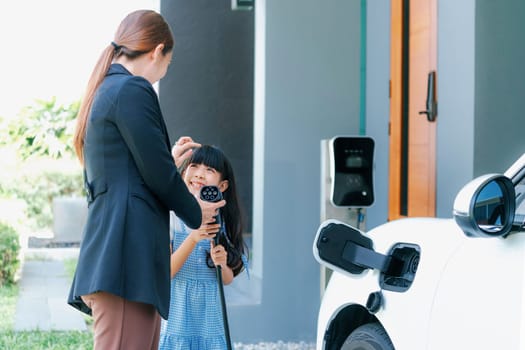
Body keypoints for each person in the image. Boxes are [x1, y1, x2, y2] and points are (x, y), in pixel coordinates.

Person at [67, 10, 225, 350]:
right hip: (127, 262)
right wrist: (199, 213)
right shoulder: (133, 88)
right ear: (157, 51)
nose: (163, 73)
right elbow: (158, 178)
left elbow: (131, 172)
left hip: (121, 261)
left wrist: (167, 161)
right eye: (167, 63)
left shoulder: (109, 88)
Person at [159, 145, 249, 350]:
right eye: (195, 166)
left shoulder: (221, 223)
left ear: (223, 185)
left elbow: (226, 279)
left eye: (210, 170)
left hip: (210, 315)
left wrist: (222, 264)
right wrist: (193, 238)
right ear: (183, 174)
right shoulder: (172, 217)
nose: (200, 174)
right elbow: (167, 272)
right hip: (179, 314)